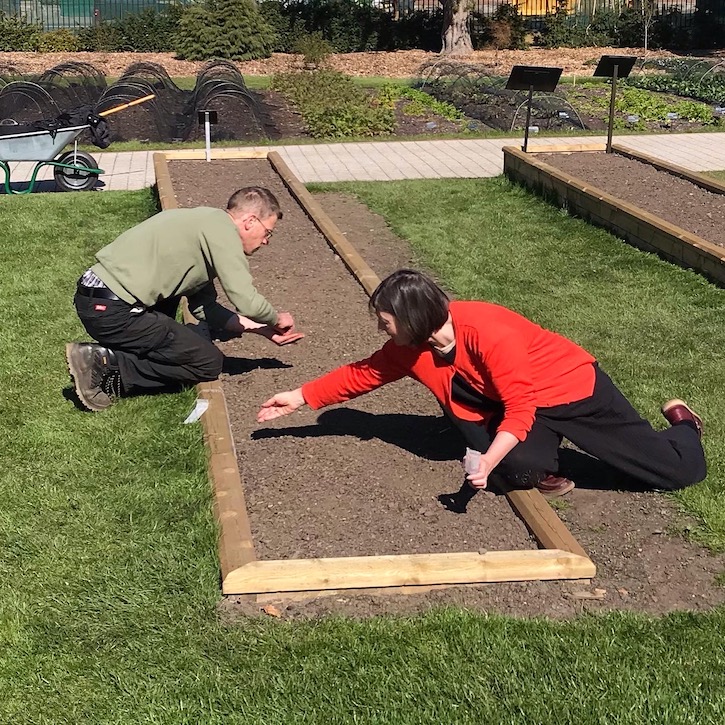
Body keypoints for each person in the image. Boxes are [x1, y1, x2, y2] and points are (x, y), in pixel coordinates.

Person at [257, 269, 706, 498]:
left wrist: (485, 460)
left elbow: (521, 407)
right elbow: (365, 373)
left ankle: (684, 425)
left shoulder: (489, 332)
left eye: (385, 322)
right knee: (520, 471)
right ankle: (544, 462)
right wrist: (298, 397)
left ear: (414, 319)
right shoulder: (412, 345)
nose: (382, 330)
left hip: (574, 391)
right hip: (525, 405)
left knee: (674, 474)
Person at [67, 187, 303, 412]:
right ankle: (105, 363)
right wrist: (275, 317)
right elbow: (245, 299)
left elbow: (204, 308)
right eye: (268, 232)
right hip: (112, 310)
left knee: (178, 333)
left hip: (96, 299)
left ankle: (112, 356)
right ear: (250, 221)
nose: (266, 241)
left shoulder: (205, 223)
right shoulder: (223, 231)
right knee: (207, 362)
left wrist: (261, 328)